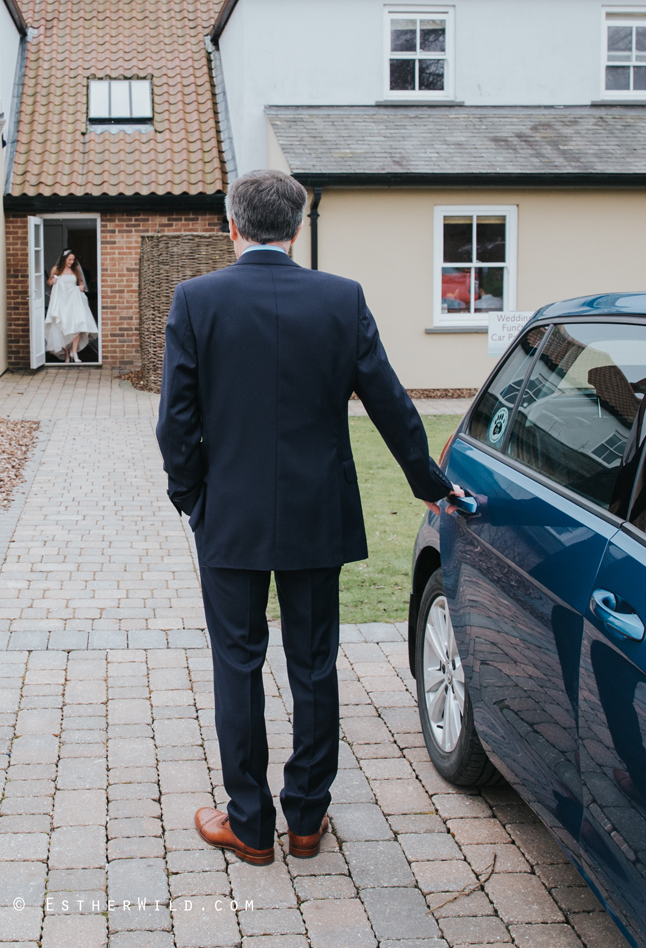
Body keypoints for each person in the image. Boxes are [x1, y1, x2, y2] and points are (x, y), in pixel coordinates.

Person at [156, 169, 465, 866]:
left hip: (228, 519)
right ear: (296, 228)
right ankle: (306, 818)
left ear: (231, 224)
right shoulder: (340, 298)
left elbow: (175, 424)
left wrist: (192, 497)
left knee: (237, 663)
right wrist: (427, 481)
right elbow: (390, 401)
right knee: (314, 665)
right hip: (315, 515)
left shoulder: (196, 301)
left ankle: (248, 821)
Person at [43, 249, 98, 363]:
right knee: (63, 327)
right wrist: (52, 281)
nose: (72, 262)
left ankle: (74, 353)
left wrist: (82, 286)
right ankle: (67, 355)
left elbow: (81, 282)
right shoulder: (56, 269)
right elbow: (48, 283)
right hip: (62, 302)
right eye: (69, 260)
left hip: (74, 302)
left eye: (73, 260)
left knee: (78, 325)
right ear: (64, 259)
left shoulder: (75, 269)